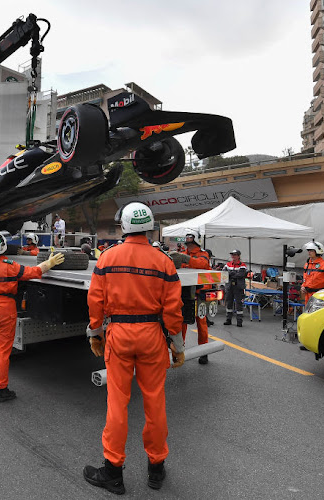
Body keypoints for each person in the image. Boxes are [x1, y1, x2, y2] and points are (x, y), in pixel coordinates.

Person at [83, 202, 184, 494]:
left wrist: (95, 333)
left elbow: (95, 301)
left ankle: (113, 471)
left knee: (117, 403)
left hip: (119, 335)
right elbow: (173, 309)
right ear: (150, 226)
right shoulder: (164, 261)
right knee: (155, 402)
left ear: (124, 226)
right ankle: (156, 468)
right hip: (152, 335)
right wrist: (176, 344)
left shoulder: (107, 258)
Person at [0, 233, 64, 402]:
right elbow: (33, 272)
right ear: (2, 247)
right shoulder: (9, 266)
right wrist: (49, 263)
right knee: (2, 352)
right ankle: (1, 389)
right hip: (4, 311)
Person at [179, 229, 212, 364]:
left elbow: (202, 264)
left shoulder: (203, 254)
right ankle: (180, 349)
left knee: (201, 323)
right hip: (183, 294)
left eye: (190, 242)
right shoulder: (182, 254)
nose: (189, 245)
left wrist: (186, 259)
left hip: (199, 295)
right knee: (181, 322)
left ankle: (203, 351)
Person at [223, 249, 247, 327]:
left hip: (238, 287)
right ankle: (228, 319)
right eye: (232, 255)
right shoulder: (228, 264)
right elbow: (224, 273)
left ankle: (239, 321)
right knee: (229, 303)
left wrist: (231, 274)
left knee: (238, 304)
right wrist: (233, 274)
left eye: (235, 255)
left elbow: (241, 275)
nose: (233, 256)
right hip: (229, 286)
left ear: (238, 256)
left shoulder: (242, 265)